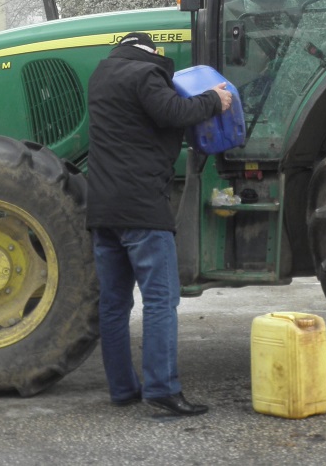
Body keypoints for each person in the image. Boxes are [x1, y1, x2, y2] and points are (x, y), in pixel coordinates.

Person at [85, 31, 233, 417]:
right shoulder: (145, 75)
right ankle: (163, 389)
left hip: (102, 209)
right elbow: (175, 113)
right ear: (150, 52)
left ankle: (122, 389)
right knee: (160, 301)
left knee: (114, 304)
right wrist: (214, 100)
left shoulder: (100, 76)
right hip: (141, 208)